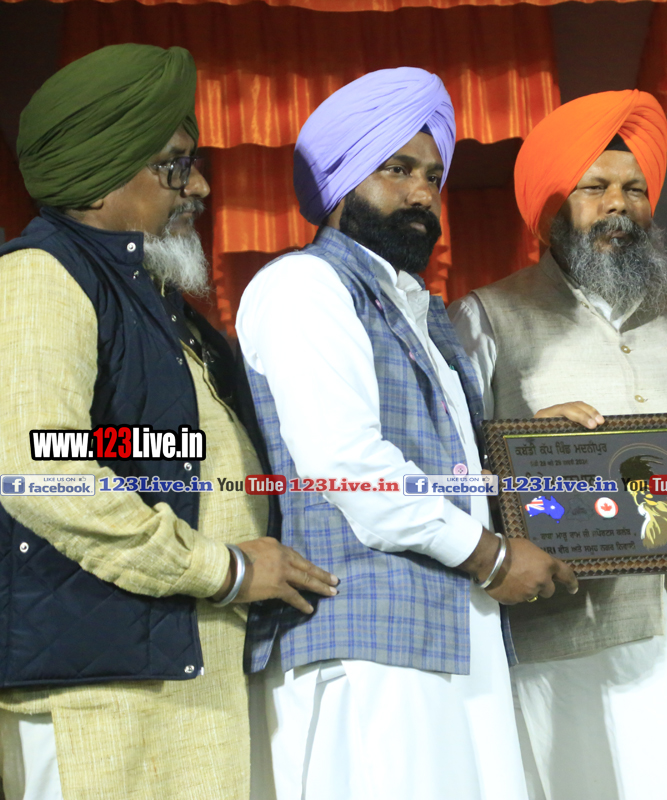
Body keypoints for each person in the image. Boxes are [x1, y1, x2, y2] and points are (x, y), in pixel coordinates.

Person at [0, 44, 337, 800]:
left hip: (188, 670)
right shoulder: (39, 276)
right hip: (102, 696)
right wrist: (224, 570)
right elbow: (41, 474)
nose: (201, 187)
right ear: (100, 175)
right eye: (174, 166)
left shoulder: (161, 307)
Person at [236, 67, 576, 800]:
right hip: (364, 646)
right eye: (397, 170)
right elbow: (351, 465)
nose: (422, 193)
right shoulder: (305, 285)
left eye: (432, 176)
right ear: (341, 181)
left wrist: (520, 446)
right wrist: (492, 557)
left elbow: (440, 462)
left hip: (453, 634)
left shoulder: (416, 309)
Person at [450, 91, 667, 800]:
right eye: (595, 187)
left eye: (635, 189)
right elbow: (451, 469)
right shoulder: (489, 315)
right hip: (567, 633)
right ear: (553, 208)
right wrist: (520, 454)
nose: (619, 204)